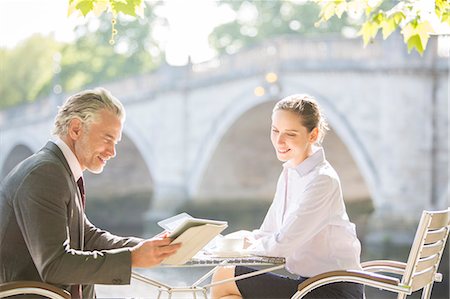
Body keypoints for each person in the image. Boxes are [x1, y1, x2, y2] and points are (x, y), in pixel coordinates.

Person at [0, 88, 181, 298]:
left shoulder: (58, 169)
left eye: (115, 142)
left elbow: (87, 237)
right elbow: (54, 266)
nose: (112, 152)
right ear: (76, 129)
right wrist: (132, 258)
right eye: (107, 138)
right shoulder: (44, 173)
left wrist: (148, 247)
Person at [210, 94, 364, 299]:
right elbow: (270, 232)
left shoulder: (322, 180)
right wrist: (236, 240)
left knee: (225, 275)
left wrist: (244, 249)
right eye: (275, 131)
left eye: (290, 134)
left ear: (313, 134)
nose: (279, 141)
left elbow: (282, 244)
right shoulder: (290, 173)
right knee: (228, 282)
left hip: (333, 289)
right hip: (309, 285)